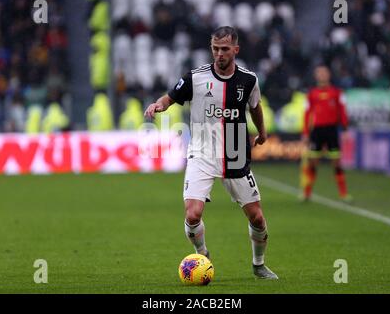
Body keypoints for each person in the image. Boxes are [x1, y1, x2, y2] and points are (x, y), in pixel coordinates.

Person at [144, 26, 278, 279]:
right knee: (192, 214)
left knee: (257, 218)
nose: (219, 54)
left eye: (224, 49)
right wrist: (157, 105)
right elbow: (170, 97)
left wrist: (262, 131)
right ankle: (203, 254)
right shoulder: (196, 77)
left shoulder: (249, 80)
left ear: (235, 50)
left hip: (235, 153)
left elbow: (255, 106)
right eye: (215, 49)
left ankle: (259, 264)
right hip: (202, 153)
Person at [300, 65, 352, 202]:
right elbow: (307, 114)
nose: (322, 75)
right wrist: (305, 133)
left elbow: (342, 111)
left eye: (324, 73)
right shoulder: (311, 94)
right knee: (313, 163)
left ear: (329, 75)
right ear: (316, 76)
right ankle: (307, 193)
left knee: (337, 163)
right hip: (317, 131)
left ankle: (343, 193)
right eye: (319, 73)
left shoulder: (337, 92)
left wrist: (345, 129)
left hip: (332, 130)